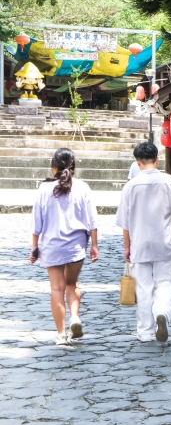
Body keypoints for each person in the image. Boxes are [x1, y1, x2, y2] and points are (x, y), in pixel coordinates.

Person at [30, 148, 99, 345]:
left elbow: (37, 221)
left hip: (52, 245)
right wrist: (94, 245)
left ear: (54, 167)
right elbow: (92, 220)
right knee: (72, 284)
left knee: (57, 288)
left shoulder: (44, 189)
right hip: (76, 245)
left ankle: (61, 334)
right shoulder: (83, 187)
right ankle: (75, 317)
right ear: (73, 167)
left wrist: (34, 247)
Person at [116, 142, 171, 343]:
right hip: (163, 241)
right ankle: (162, 313)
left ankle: (145, 332)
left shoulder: (130, 186)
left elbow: (125, 222)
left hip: (139, 242)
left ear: (138, 162)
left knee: (143, 288)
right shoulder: (169, 181)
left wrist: (127, 247)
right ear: (157, 160)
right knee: (165, 282)